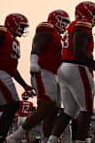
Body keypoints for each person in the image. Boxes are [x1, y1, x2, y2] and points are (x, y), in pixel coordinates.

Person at [7, 9, 70, 142]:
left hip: (55, 74)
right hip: (43, 71)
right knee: (45, 106)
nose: (65, 24)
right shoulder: (47, 28)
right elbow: (37, 45)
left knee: (53, 109)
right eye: (63, 21)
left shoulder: (59, 36)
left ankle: (47, 138)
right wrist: (34, 61)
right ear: (54, 19)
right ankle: (16, 136)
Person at [47, 1, 95, 143]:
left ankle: (51, 140)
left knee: (69, 111)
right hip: (77, 67)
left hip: (64, 68)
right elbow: (79, 51)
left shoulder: (70, 27)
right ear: (85, 12)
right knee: (87, 110)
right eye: (94, 14)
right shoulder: (82, 24)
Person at [0, 13, 34, 143]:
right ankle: (2, 139)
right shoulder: (1, 32)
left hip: (3, 73)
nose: (23, 29)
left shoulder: (14, 40)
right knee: (12, 103)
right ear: (12, 23)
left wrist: (24, 85)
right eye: (21, 26)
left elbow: (12, 68)